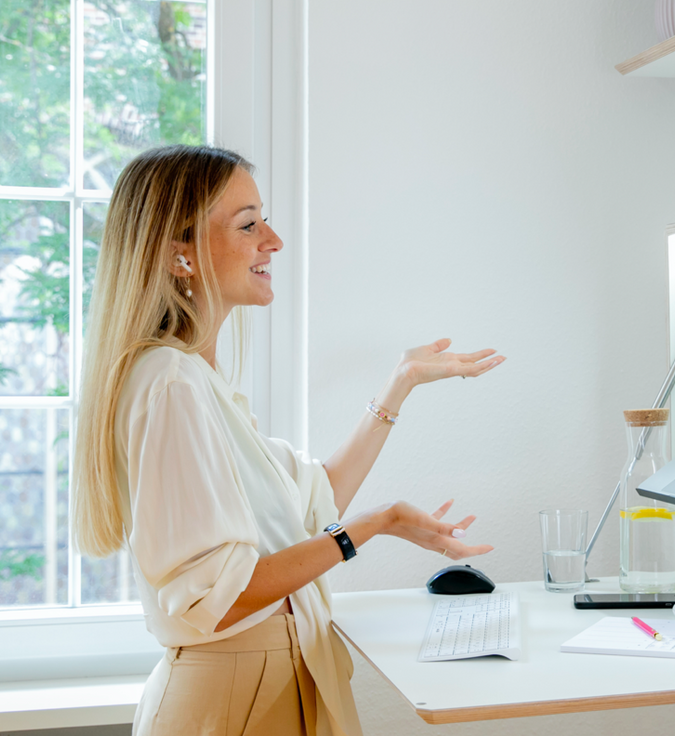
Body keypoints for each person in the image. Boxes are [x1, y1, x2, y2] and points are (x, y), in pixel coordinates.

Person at [72, 145, 503, 736]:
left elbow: (315, 499)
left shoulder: (197, 382)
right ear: (180, 256)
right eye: (248, 224)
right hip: (237, 694)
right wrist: (370, 527)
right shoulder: (172, 384)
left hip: (264, 679)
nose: (272, 239)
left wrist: (399, 384)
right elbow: (225, 594)